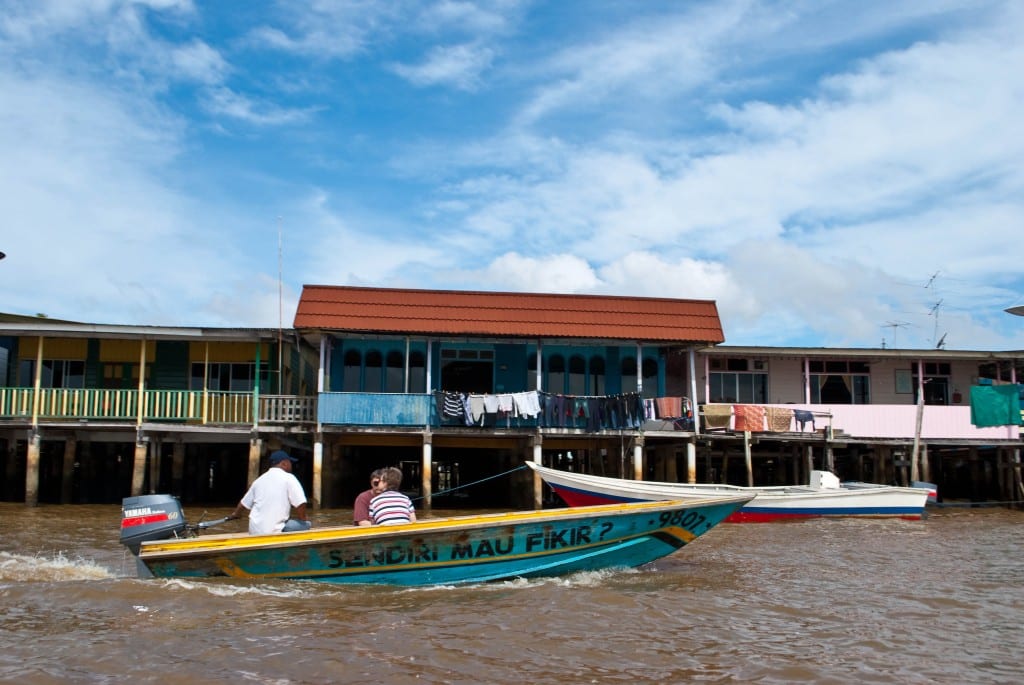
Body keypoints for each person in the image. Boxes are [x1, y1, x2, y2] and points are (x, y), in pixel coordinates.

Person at [229, 450, 311, 534]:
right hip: (273, 531)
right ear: (284, 463)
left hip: (254, 531)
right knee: (307, 524)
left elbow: (243, 504)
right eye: (290, 462)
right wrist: (303, 520)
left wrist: (236, 514)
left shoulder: (259, 480)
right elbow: (300, 502)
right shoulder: (289, 478)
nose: (291, 465)